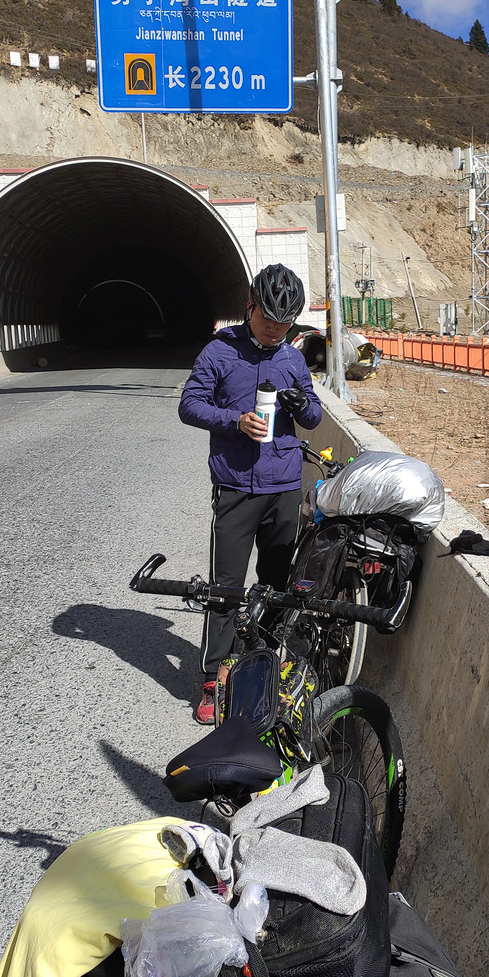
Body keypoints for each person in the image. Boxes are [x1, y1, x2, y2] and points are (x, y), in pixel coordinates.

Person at [179, 264, 323, 723]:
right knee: (224, 591)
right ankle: (212, 680)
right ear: (249, 306)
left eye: (283, 328)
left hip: (283, 486)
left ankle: (263, 670)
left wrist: (306, 407)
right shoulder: (219, 352)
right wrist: (234, 420)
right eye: (266, 323)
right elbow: (189, 405)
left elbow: (315, 415)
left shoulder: (292, 357)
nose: (273, 333)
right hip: (236, 487)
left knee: (276, 587)